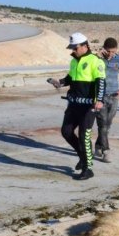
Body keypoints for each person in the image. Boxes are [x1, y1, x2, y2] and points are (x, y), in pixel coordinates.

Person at [47, 32, 106, 180]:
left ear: (85, 46)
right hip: (73, 104)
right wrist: (59, 82)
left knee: (83, 136)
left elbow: (101, 82)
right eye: (72, 48)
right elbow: (70, 78)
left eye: (75, 48)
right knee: (66, 132)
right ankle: (82, 155)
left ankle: (88, 168)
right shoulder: (74, 61)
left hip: (88, 106)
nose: (73, 50)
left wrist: (99, 100)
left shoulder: (95, 61)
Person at [94, 37, 119, 164]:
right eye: (108, 51)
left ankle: (98, 145)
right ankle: (106, 151)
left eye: (113, 51)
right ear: (104, 49)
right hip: (101, 97)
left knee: (107, 125)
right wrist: (97, 57)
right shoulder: (97, 59)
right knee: (102, 124)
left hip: (114, 97)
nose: (111, 54)